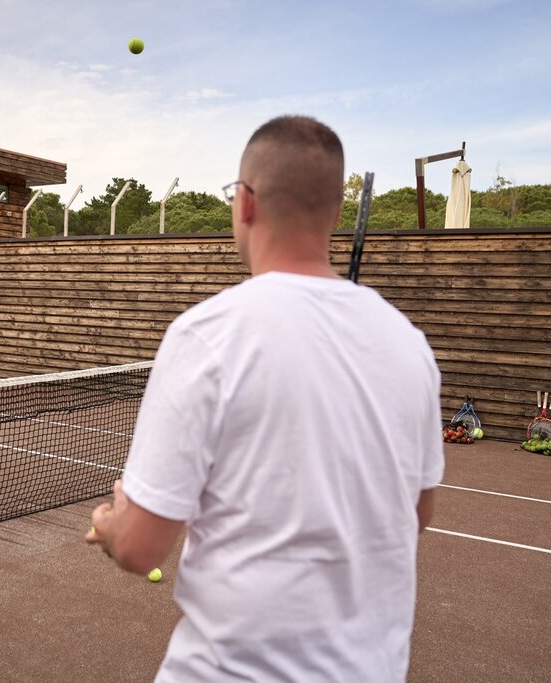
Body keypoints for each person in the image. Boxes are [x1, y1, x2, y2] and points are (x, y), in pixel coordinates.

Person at [86, 116, 444, 681]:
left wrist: (111, 525)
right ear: (332, 211)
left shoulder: (205, 335)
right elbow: (416, 513)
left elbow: (139, 548)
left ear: (245, 202)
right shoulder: (410, 344)